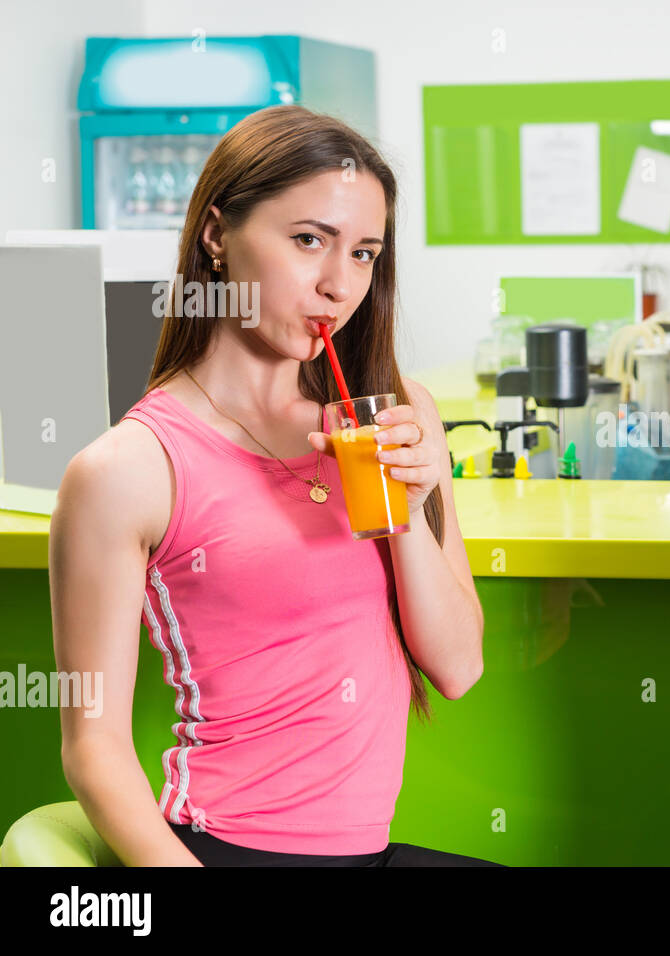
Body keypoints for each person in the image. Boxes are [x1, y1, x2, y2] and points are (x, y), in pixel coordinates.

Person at [51, 105, 500, 867]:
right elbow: (93, 748)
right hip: (227, 849)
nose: (338, 284)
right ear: (218, 236)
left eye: (364, 254)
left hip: (366, 852)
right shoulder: (128, 469)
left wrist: (405, 506)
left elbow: (457, 669)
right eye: (307, 241)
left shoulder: (396, 413)